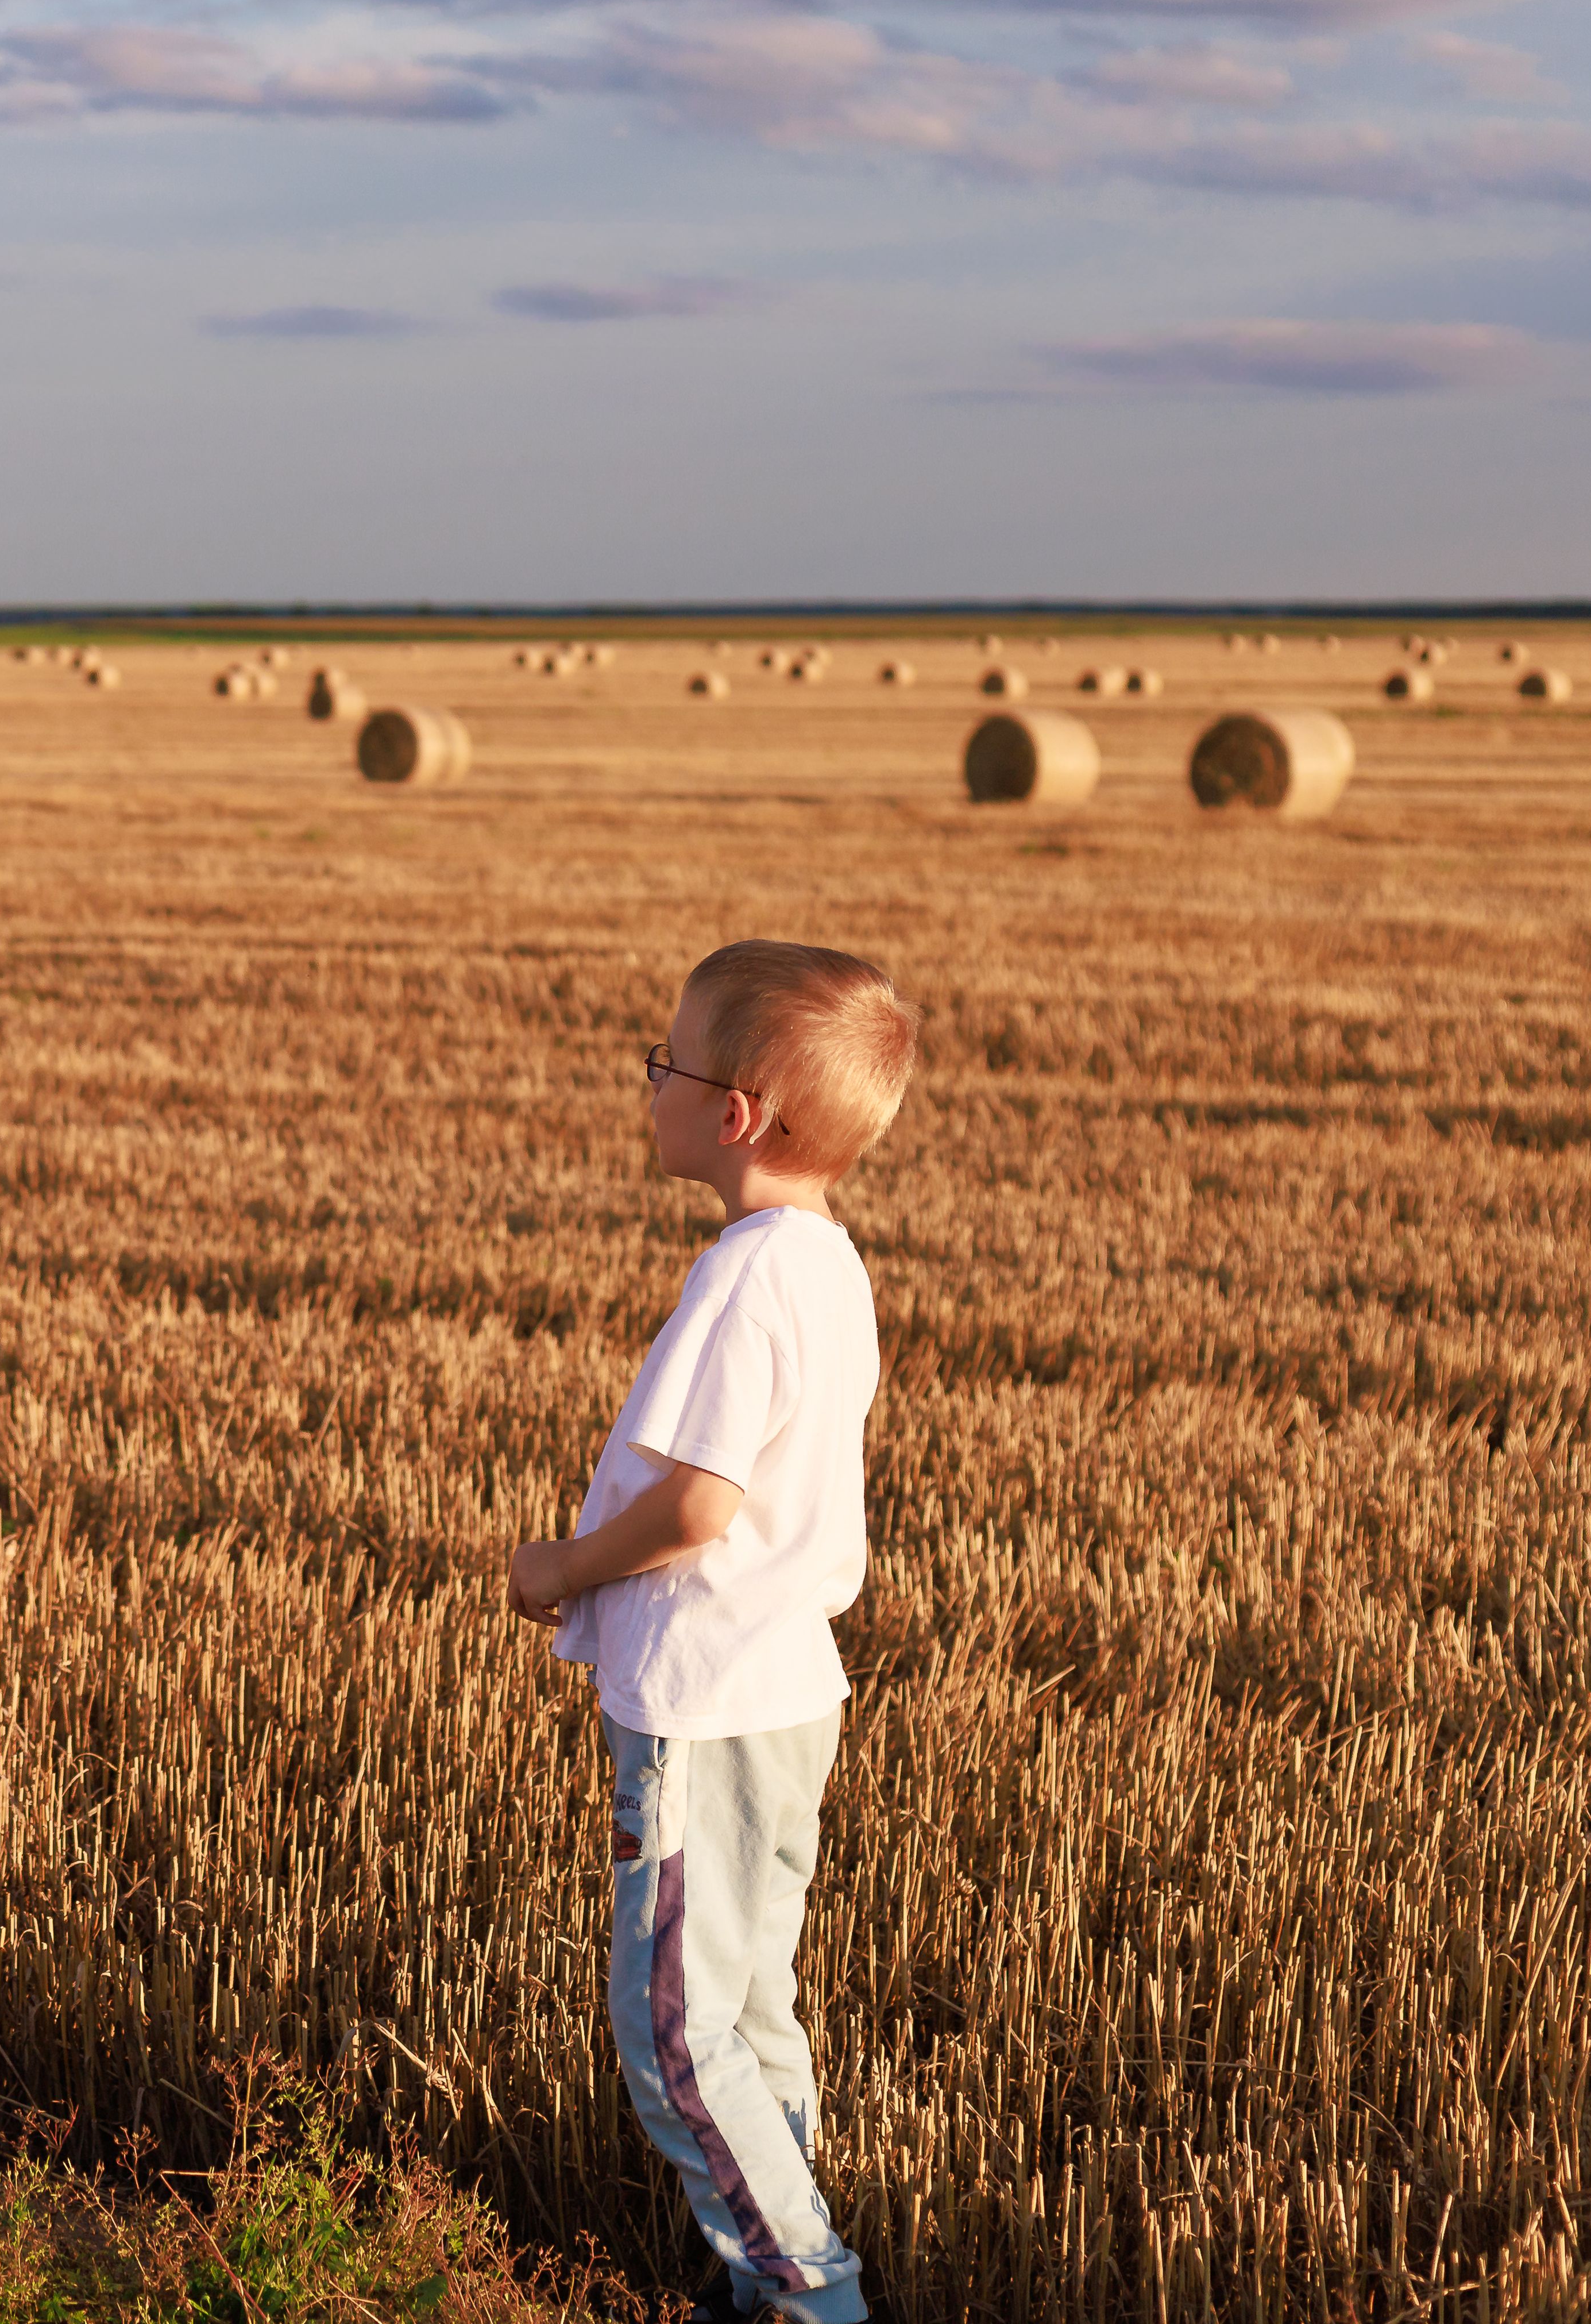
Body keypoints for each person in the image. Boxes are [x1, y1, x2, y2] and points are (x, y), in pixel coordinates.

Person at [512, 941, 921, 2323]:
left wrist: (568, 1563)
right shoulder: (825, 1262)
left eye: (663, 1063)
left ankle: (810, 2296)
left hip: (706, 1693)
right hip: (788, 1686)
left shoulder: (744, 1274)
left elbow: (697, 1501)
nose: (650, 1083)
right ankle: (782, 2273)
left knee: (674, 2030)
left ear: (734, 1111)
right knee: (749, 2011)